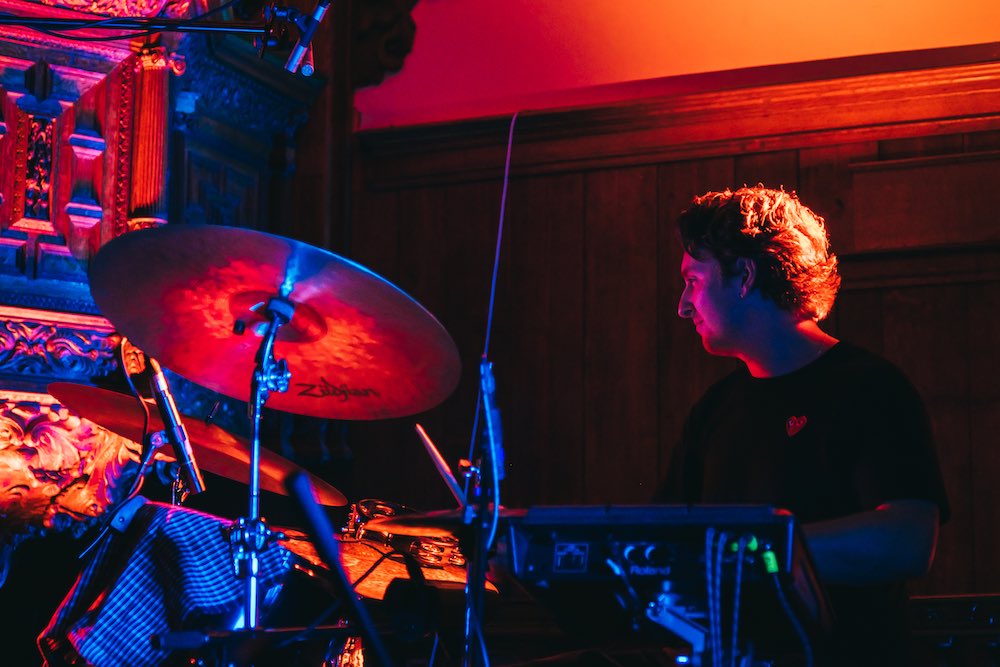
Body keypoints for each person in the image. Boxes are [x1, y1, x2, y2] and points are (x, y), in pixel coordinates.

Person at [654, 185, 949, 665]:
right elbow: (666, 540)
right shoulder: (714, 408)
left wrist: (754, 550)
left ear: (745, 275)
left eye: (693, 281)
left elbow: (907, 540)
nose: (684, 306)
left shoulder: (870, 388)